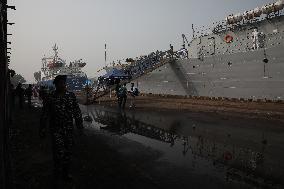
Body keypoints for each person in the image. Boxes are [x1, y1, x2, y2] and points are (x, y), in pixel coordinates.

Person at [39, 75, 84, 184]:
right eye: (60, 83)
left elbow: (76, 112)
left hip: (68, 129)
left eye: (63, 83)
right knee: (58, 153)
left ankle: (65, 173)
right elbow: (45, 114)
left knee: (68, 152)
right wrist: (42, 128)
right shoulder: (50, 97)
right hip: (56, 129)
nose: (62, 85)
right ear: (55, 85)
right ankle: (57, 174)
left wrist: (80, 126)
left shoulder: (71, 96)